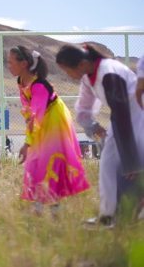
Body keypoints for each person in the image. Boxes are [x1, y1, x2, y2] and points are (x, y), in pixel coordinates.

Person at [56, 43, 144, 227]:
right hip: (122, 120)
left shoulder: (108, 73)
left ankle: (127, 214)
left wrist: (130, 161)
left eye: (66, 70)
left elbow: (122, 114)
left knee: (132, 167)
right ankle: (108, 216)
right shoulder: (89, 76)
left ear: (79, 65)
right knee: (107, 165)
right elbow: (83, 108)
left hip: (136, 118)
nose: (67, 75)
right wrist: (93, 126)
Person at [7, 46, 89, 215]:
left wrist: (27, 143)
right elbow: (29, 112)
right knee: (36, 161)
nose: (8, 65)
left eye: (11, 61)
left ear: (24, 63)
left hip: (54, 121)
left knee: (50, 160)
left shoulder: (39, 86)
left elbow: (36, 117)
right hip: (40, 120)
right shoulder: (21, 82)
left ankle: (54, 207)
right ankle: (40, 204)